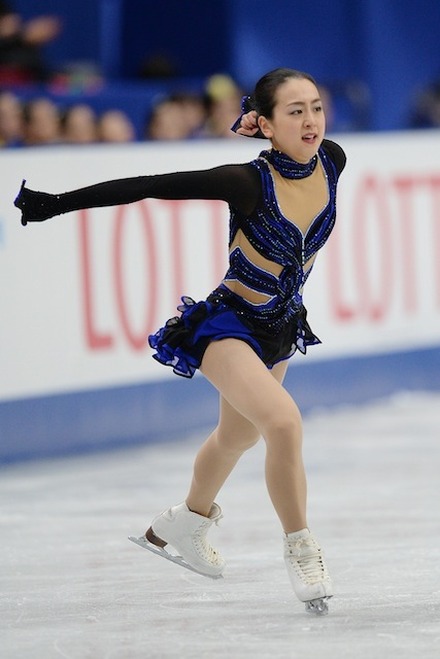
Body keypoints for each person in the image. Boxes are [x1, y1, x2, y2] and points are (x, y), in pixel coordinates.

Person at [14, 68, 346, 615]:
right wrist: (57, 203)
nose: (310, 120)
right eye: (294, 111)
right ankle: (302, 547)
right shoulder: (246, 182)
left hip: (280, 329)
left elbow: (300, 139)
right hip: (228, 326)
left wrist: (258, 121)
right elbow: (151, 186)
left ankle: (182, 524)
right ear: (266, 123)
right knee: (283, 424)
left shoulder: (333, 159)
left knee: (236, 437)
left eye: (315, 106)